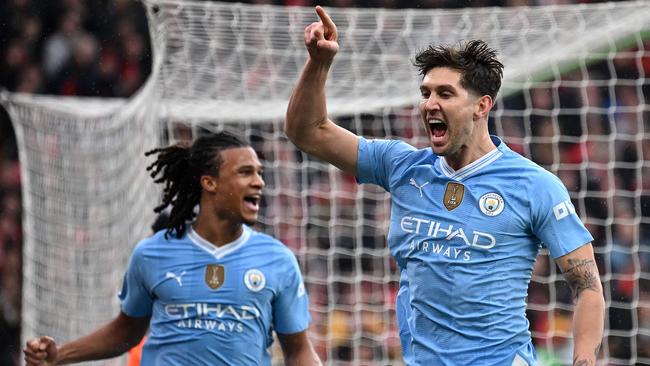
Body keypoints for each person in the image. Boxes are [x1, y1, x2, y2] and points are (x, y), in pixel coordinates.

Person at [285, 6, 605, 366]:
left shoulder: (535, 186)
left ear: (481, 106)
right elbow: (307, 131)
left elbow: (588, 287)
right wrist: (319, 63)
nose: (429, 104)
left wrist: (583, 361)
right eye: (426, 93)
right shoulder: (401, 166)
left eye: (445, 94)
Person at [23, 131, 321, 366]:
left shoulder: (278, 260)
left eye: (259, 172)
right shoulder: (151, 254)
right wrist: (60, 355)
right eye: (245, 172)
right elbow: (126, 331)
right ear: (209, 182)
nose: (259, 182)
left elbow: (298, 351)